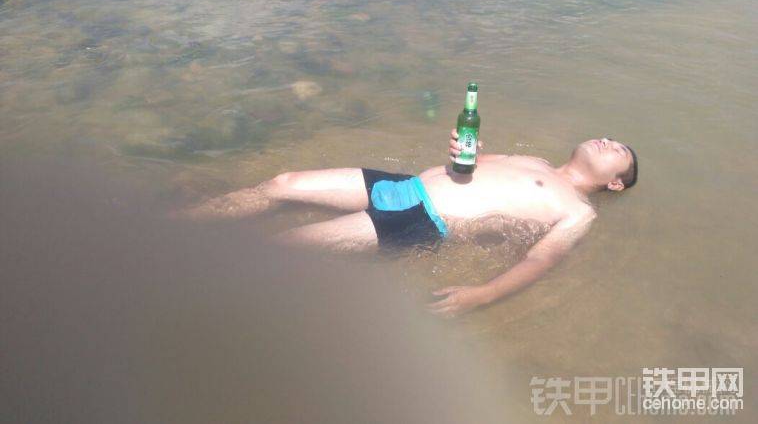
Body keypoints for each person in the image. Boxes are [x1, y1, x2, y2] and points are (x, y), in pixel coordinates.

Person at [184, 133, 638, 317]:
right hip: (404, 185)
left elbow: (540, 260)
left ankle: (187, 286)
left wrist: (483, 294)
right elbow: (467, 164)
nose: (607, 140)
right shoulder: (533, 159)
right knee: (283, 184)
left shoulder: (579, 211)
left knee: (286, 245)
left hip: (421, 219)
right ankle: (177, 226)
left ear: (616, 183)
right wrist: (464, 148)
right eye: (609, 137)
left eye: (618, 149)